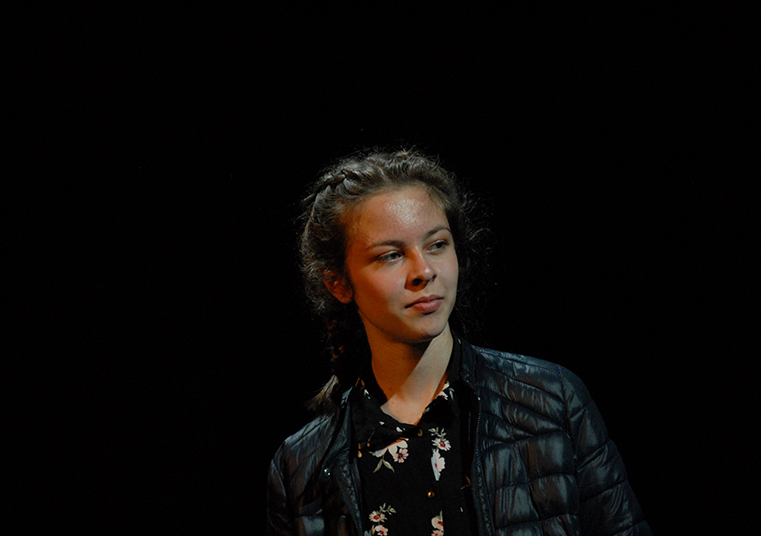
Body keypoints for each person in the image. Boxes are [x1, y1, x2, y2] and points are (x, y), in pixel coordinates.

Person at [268, 149, 652, 536]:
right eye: (391, 255)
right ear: (338, 283)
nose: (424, 271)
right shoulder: (301, 468)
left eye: (437, 244)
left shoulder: (552, 401)